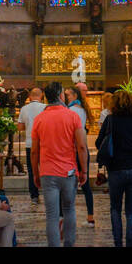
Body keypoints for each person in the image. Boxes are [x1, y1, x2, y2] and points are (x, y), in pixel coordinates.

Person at [31, 81, 87, 247]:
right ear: (61, 95)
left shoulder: (39, 119)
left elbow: (34, 151)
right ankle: (69, 244)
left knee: (51, 215)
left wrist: (35, 173)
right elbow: (82, 146)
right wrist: (84, 170)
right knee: (69, 210)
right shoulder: (72, 116)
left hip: (48, 172)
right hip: (68, 171)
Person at [96, 87, 132, 247]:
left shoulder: (110, 120)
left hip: (116, 169)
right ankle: (130, 244)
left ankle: (118, 243)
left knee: (115, 209)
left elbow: (99, 143)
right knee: (131, 211)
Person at [65, 84, 95, 226]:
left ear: (74, 96)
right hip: (83, 150)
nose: (66, 97)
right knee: (85, 184)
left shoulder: (70, 110)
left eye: (68, 95)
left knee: (70, 185)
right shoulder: (82, 109)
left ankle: (67, 217)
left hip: (73, 150)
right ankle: (90, 216)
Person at [16, 87, 46, 205]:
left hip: (30, 143)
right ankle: (48, 193)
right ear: (41, 96)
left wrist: (29, 126)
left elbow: (20, 127)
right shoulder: (45, 108)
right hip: (44, 144)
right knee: (45, 169)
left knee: (31, 170)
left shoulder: (24, 109)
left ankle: (34, 196)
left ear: (30, 97)